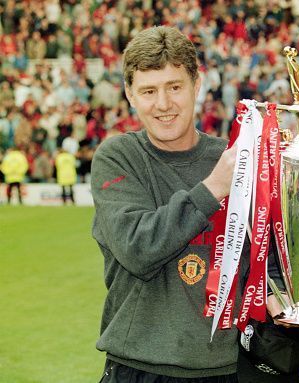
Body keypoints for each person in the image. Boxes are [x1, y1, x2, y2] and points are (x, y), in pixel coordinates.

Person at [90, 26, 239, 382]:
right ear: (130, 94)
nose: (163, 104)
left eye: (174, 87)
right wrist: (214, 187)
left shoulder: (233, 158)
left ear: (196, 84)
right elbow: (138, 248)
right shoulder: (118, 157)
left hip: (229, 368)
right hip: (141, 367)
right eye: (148, 91)